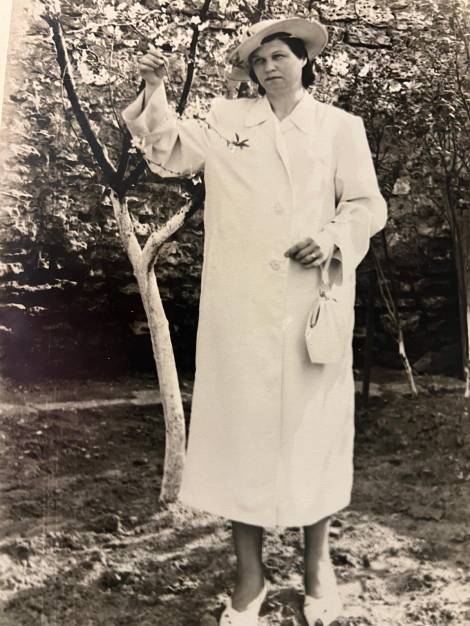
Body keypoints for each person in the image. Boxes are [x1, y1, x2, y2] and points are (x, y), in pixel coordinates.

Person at [122, 16, 387, 626]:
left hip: (311, 305)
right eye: (259, 61)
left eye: (280, 56)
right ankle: (250, 578)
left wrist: (332, 238)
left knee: (313, 433)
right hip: (240, 308)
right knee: (241, 435)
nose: (269, 67)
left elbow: (367, 204)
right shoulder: (226, 119)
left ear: (304, 60)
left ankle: (317, 568)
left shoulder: (340, 127)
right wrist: (154, 89)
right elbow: (168, 151)